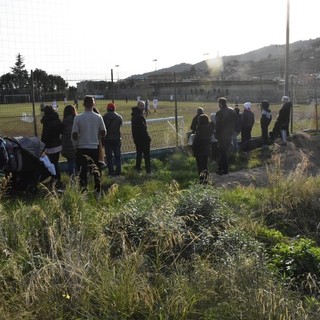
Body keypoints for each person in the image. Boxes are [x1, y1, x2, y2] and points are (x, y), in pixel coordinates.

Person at [72, 96, 106, 199]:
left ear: (83, 104)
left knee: (82, 171)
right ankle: (98, 192)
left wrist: (75, 146)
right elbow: (103, 132)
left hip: (81, 147)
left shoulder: (77, 117)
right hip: (94, 147)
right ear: (93, 104)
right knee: (96, 171)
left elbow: (74, 135)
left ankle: (84, 193)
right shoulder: (98, 117)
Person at [40, 105, 63, 187]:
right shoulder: (57, 119)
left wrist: (42, 145)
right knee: (55, 163)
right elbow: (61, 130)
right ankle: (56, 179)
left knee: (52, 164)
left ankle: (55, 179)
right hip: (58, 144)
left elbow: (45, 135)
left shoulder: (47, 122)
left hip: (50, 146)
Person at [215, 97, 236, 175]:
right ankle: (225, 169)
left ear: (220, 103)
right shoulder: (232, 111)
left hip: (222, 135)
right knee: (225, 152)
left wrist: (216, 135)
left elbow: (217, 125)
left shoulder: (219, 113)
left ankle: (222, 169)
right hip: (229, 134)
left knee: (222, 152)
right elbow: (235, 122)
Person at [192, 114, 215, 184]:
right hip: (206, 149)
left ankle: (202, 180)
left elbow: (197, 141)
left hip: (199, 150)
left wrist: (193, 148)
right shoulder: (209, 128)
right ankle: (206, 179)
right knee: (205, 165)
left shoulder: (200, 129)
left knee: (200, 166)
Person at [102, 102, 123, 176]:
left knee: (109, 156)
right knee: (118, 156)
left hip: (107, 139)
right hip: (117, 138)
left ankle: (111, 172)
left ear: (107, 109)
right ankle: (118, 171)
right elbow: (120, 124)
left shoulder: (104, 117)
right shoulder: (119, 117)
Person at [131, 100, 151, 174]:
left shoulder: (134, 115)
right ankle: (148, 171)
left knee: (139, 154)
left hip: (137, 139)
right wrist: (148, 138)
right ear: (138, 106)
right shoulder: (139, 117)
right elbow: (143, 129)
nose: (142, 107)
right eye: (141, 106)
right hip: (143, 139)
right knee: (146, 155)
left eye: (143, 106)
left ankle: (137, 168)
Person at [61, 104, 77, 176]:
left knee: (70, 162)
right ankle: (78, 177)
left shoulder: (64, 122)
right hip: (76, 145)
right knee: (77, 162)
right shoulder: (77, 119)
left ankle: (72, 177)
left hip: (67, 146)